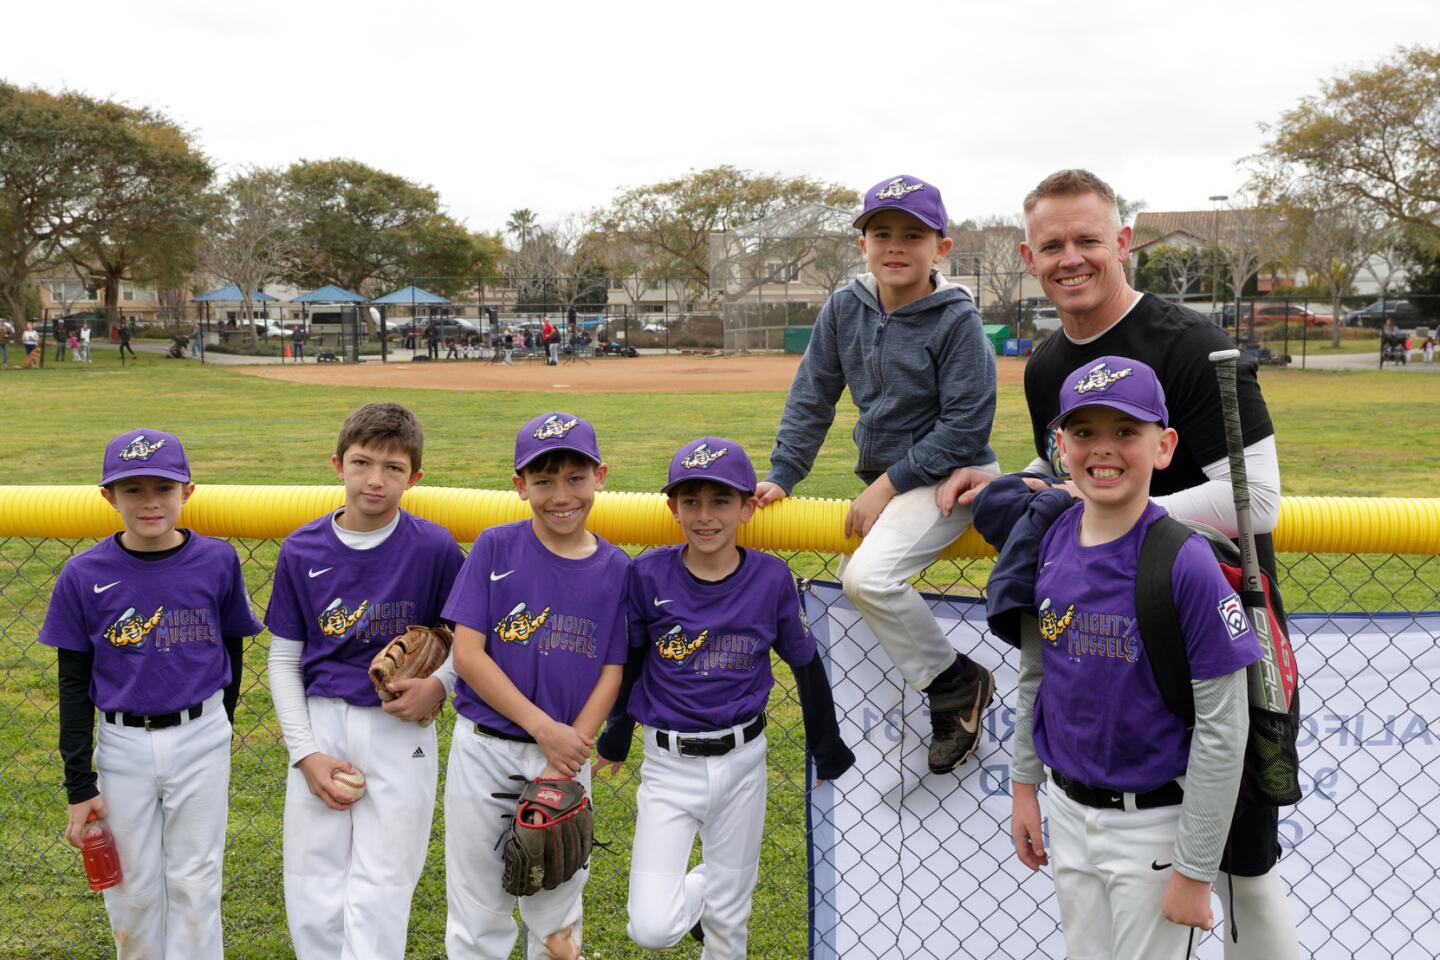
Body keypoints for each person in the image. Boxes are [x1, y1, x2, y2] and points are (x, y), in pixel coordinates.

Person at [941, 168, 1298, 959]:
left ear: (1123, 242)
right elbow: (1070, 479)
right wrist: (1015, 486)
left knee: (1242, 867)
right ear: (1029, 257)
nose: (1071, 258)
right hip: (1103, 629)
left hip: (1207, 625)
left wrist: (1128, 520)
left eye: (1087, 240)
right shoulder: (1044, 366)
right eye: (1052, 245)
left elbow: (1260, 503)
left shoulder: (1194, 345)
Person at [1005, 357, 1261, 959]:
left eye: (1126, 431)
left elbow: (1224, 729)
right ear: (1059, 445)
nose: (1105, 449)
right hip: (1068, 812)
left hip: (1153, 827)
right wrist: (1023, 785)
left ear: (1164, 446)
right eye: (1085, 432)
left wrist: (1195, 871)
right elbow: (1035, 674)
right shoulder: (1052, 539)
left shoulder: (1185, 561)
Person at [754, 174, 1001, 775]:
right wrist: (784, 473)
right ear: (862, 244)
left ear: (941, 247)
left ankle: (957, 687)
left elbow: (966, 426)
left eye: (913, 234)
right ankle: (889, 741)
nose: (895, 245)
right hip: (892, 484)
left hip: (953, 479)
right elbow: (813, 396)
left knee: (867, 581)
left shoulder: (957, 321)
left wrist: (887, 485)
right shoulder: (846, 307)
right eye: (881, 232)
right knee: (855, 591)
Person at [595, 437, 855, 958]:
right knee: (650, 926)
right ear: (672, 508)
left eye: (720, 501)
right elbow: (636, 662)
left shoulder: (769, 578)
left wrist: (826, 745)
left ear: (747, 507)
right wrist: (617, 736)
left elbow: (804, 662)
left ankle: (720, 900)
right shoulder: (648, 574)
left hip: (742, 762)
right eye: (690, 501)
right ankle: (704, 890)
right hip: (669, 767)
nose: (705, 515)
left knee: (729, 926)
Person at [39, 428, 264, 958]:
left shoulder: (217, 561)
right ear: (107, 497)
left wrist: (220, 724)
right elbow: (72, 684)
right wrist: (79, 783)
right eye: (132, 488)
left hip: (201, 734)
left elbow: (231, 649)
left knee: (195, 878)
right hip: (122, 744)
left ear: (187, 491)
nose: (149, 502)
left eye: (163, 487)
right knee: (131, 888)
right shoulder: (83, 574)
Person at [264, 403, 463, 959]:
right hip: (323, 723)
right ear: (337, 464)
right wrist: (305, 754)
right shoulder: (303, 549)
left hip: (399, 727)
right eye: (362, 462)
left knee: (384, 886)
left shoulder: (434, 548)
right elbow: (283, 660)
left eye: (394, 468)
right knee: (313, 885)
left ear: (415, 477)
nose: (376, 479)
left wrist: (440, 684)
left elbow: (466, 639)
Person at [442, 412, 629, 960]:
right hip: (485, 748)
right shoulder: (496, 546)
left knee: (558, 912)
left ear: (601, 477)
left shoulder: (617, 567)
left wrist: (568, 748)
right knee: (477, 907)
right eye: (543, 480)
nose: (561, 495)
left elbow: (612, 669)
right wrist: (544, 729)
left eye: (575, 477)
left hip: (565, 759)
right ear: (519, 485)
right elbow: (468, 654)